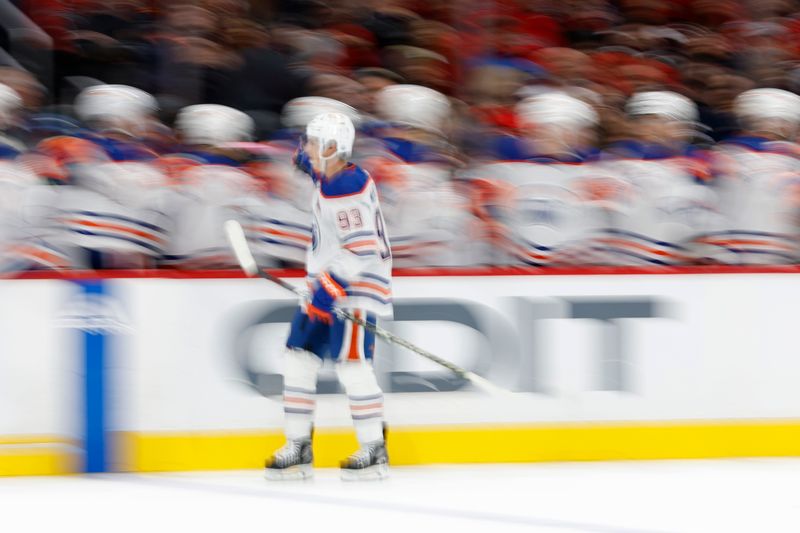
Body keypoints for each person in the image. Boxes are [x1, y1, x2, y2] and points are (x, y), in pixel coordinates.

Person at [265, 111, 392, 481]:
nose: (305, 148)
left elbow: (361, 248)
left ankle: (374, 448)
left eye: (313, 142)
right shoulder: (335, 177)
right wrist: (313, 168)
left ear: (333, 147)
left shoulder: (345, 186)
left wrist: (328, 290)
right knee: (298, 356)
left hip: (352, 290)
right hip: (328, 285)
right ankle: (298, 446)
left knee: (353, 366)